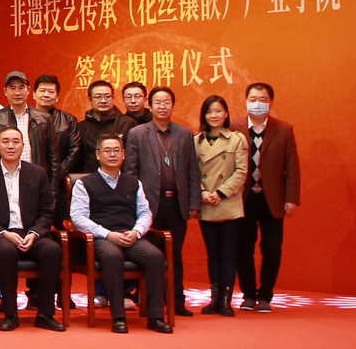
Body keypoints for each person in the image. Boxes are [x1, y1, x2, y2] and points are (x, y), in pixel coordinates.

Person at [71, 134, 173, 334]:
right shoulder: (84, 183)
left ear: (123, 154)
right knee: (112, 257)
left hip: (130, 235)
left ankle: (156, 317)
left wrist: (136, 232)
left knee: (155, 257)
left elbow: (145, 213)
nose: (112, 154)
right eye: (107, 151)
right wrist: (108, 234)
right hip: (103, 238)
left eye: (117, 150)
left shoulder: (134, 182)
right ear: (98, 155)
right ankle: (118, 317)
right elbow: (78, 218)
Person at [0, 127, 65, 332]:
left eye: (15, 141)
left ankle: (45, 314)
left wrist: (35, 233)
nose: (11, 146)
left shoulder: (38, 173)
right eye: (5, 141)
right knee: (6, 252)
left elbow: (47, 211)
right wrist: (3, 233)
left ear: (23, 146)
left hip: (32, 233)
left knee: (53, 250)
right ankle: (10, 314)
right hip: (1, 234)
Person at [124, 86, 201, 317]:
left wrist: (194, 203)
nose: (162, 106)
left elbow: (193, 171)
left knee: (174, 255)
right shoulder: (137, 133)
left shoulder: (185, 134)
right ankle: (150, 302)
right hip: (147, 206)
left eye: (167, 102)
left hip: (176, 204)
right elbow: (131, 172)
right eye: (157, 102)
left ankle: (177, 302)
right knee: (150, 255)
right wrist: (132, 204)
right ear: (150, 105)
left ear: (173, 105)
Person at [232, 82, 300, 313]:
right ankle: (249, 294)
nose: (257, 104)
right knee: (243, 248)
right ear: (246, 101)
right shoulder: (234, 127)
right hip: (242, 198)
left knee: (272, 249)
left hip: (273, 199)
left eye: (262, 100)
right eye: (253, 99)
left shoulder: (284, 129)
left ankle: (266, 295)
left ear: (270, 102)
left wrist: (291, 198)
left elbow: (292, 167)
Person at [193, 95, 248, 317]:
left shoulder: (237, 139)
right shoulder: (196, 140)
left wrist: (220, 192)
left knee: (228, 253)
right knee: (213, 254)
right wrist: (202, 192)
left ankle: (226, 300)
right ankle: (214, 299)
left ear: (226, 114)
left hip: (228, 203)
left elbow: (241, 171)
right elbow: (190, 172)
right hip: (206, 202)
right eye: (209, 112)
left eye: (218, 111)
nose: (213, 115)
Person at [32, 75, 80, 223]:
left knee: (59, 222)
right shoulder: (25, 119)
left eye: (51, 92)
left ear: (57, 97)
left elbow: (74, 150)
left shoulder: (69, 120)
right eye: (42, 91)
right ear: (33, 94)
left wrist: (56, 174)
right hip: (31, 181)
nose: (46, 95)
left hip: (59, 183)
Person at [76, 80, 135, 174]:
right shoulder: (82, 126)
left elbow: (134, 157)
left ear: (113, 98)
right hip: (90, 178)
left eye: (107, 96)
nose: (103, 100)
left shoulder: (127, 123)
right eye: (98, 97)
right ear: (90, 100)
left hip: (121, 178)